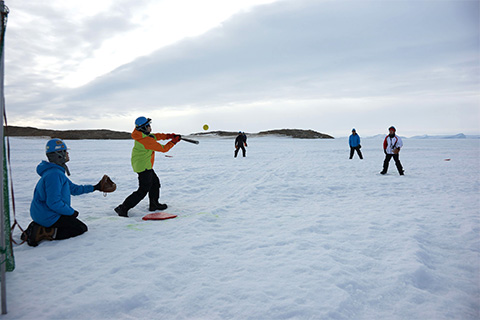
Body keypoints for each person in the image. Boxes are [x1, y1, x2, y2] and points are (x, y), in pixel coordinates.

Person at [23, 138, 116, 247]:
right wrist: (71, 212)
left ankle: (37, 226)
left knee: (73, 222)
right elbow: (53, 202)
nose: (67, 154)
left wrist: (95, 187)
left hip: (42, 213)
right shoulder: (54, 175)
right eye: (65, 151)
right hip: (48, 215)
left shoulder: (55, 172)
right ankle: (43, 232)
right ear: (59, 154)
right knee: (80, 228)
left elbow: (73, 189)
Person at [114, 117, 181, 217]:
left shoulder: (142, 135)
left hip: (145, 165)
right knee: (143, 190)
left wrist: (168, 136)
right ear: (143, 128)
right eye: (148, 126)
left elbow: (156, 136)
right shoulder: (145, 140)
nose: (150, 127)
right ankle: (123, 207)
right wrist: (173, 141)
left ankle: (154, 204)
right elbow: (163, 149)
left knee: (155, 183)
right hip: (143, 167)